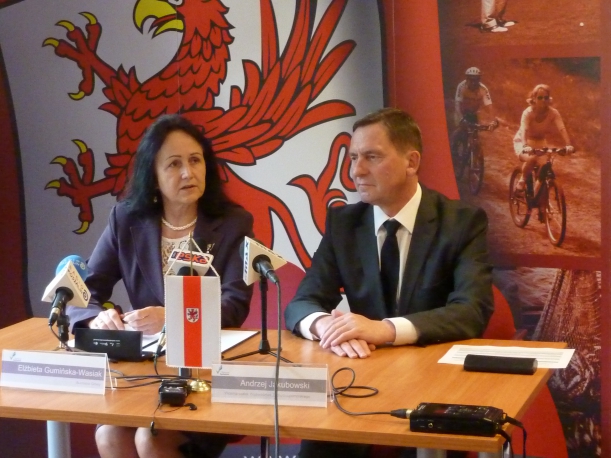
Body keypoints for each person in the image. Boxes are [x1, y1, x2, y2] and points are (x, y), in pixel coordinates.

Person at [284, 108, 493, 458]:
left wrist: (385, 330)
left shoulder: (461, 222)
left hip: (434, 387)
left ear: (411, 162)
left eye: (372, 157)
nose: (356, 171)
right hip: (359, 384)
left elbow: (472, 310)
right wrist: (325, 326)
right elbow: (302, 302)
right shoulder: (344, 223)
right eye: (353, 158)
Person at [66, 114, 254, 458]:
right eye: (174, 164)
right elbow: (85, 289)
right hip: (142, 370)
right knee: (109, 435)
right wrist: (96, 318)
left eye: (195, 160)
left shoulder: (232, 223)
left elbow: (235, 303)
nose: (188, 173)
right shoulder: (126, 220)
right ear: (152, 176)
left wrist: (173, 317)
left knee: (150, 439)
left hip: (204, 370)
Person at [513, 84, 574, 193]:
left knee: (544, 168)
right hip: (523, 141)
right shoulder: (528, 113)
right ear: (534, 99)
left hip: (540, 142)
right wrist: (525, 146)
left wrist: (568, 144)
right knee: (532, 159)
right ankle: (522, 180)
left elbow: (561, 128)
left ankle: (538, 199)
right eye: (540, 98)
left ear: (549, 99)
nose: (543, 100)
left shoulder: (553, 113)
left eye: (546, 97)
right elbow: (524, 130)